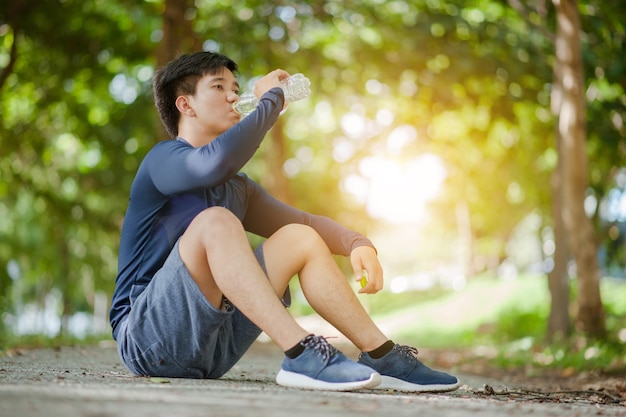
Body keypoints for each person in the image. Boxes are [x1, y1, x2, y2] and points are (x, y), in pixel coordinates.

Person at [109, 51, 460, 392]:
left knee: (300, 236)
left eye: (235, 86)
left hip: (213, 350)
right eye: (219, 87)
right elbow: (211, 164)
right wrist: (270, 101)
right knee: (216, 221)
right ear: (186, 105)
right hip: (147, 339)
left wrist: (357, 242)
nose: (234, 95)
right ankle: (300, 353)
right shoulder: (162, 161)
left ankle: (382, 355)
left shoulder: (237, 188)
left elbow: (305, 221)